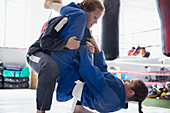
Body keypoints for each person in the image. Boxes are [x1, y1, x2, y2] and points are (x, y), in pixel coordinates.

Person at [26, 0, 105, 113]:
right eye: (95, 17)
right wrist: (66, 43)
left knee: (88, 70)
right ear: (85, 11)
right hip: (37, 52)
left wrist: (87, 50)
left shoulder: (87, 34)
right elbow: (45, 42)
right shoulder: (64, 20)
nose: (96, 22)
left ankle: (78, 107)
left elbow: (77, 57)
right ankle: (40, 111)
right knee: (50, 67)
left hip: (57, 62)